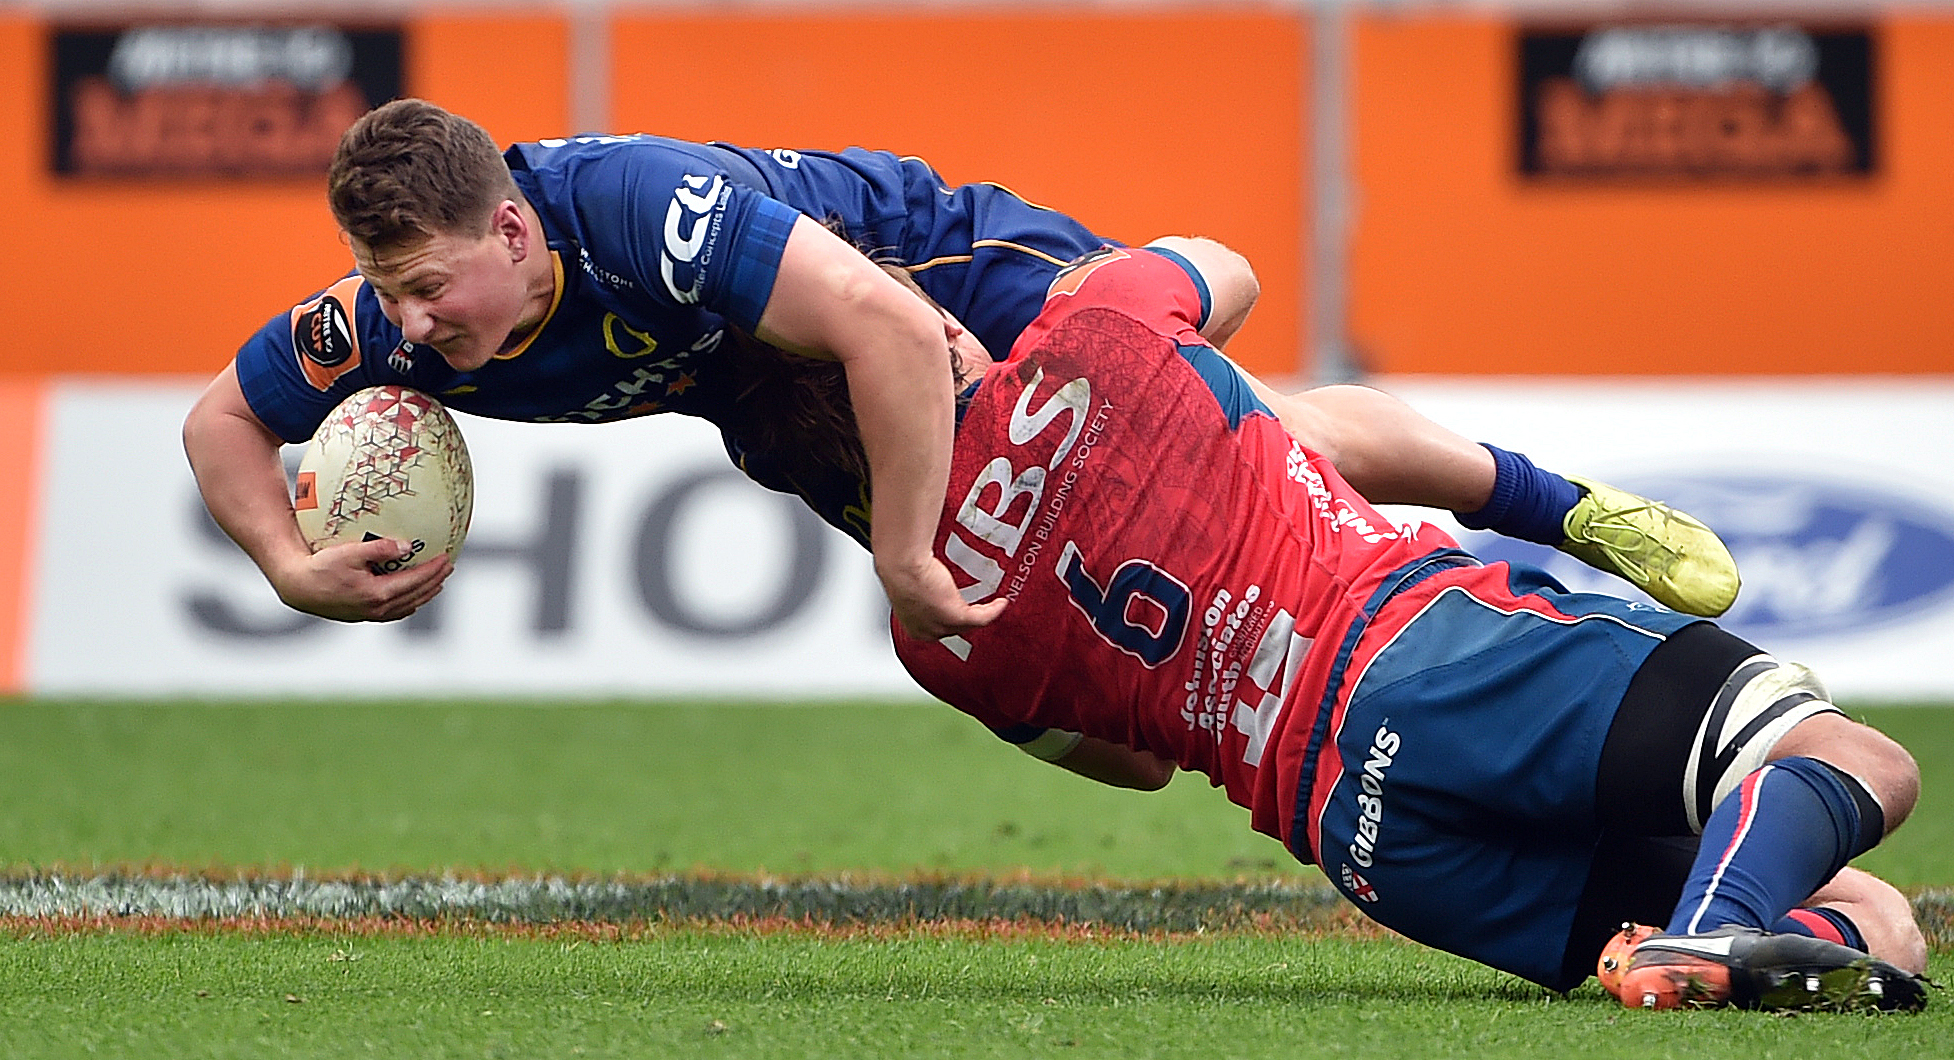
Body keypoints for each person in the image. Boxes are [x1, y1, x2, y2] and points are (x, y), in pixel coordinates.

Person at [827, 237, 1925, 1010]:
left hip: (1360, 834)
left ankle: (1701, 951)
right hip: (1431, 662)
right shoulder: (1095, 334)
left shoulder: (930, 639)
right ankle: (1705, 932)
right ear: (922, 335)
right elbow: (1227, 269)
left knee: (1879, 923)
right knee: (1853, 759)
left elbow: (1139, 768)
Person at [181, 98, 1738, 639]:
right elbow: (224, 420)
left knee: (1225, 434)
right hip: (784, 399)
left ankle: (1564, 511)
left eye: (433, 285)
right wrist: (287, 563)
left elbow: (873, 322)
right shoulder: (386, 327)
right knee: (1096, 718)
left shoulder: (638, 208)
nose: (418, 324)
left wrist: (913, 554)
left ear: (515, 227)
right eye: (394, 294)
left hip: (926, 269)